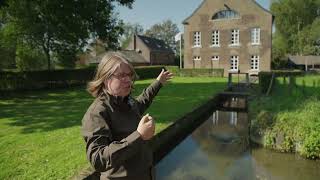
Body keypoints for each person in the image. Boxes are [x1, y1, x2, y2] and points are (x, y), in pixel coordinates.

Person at [81, 52, 173, 180]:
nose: (128, 80)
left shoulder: (126, 100)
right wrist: (139, 136)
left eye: (130, 75)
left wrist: (158, 83)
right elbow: (98, 159)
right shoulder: (97, 113)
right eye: (122, 75)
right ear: (106, 78)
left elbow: (142, 101)